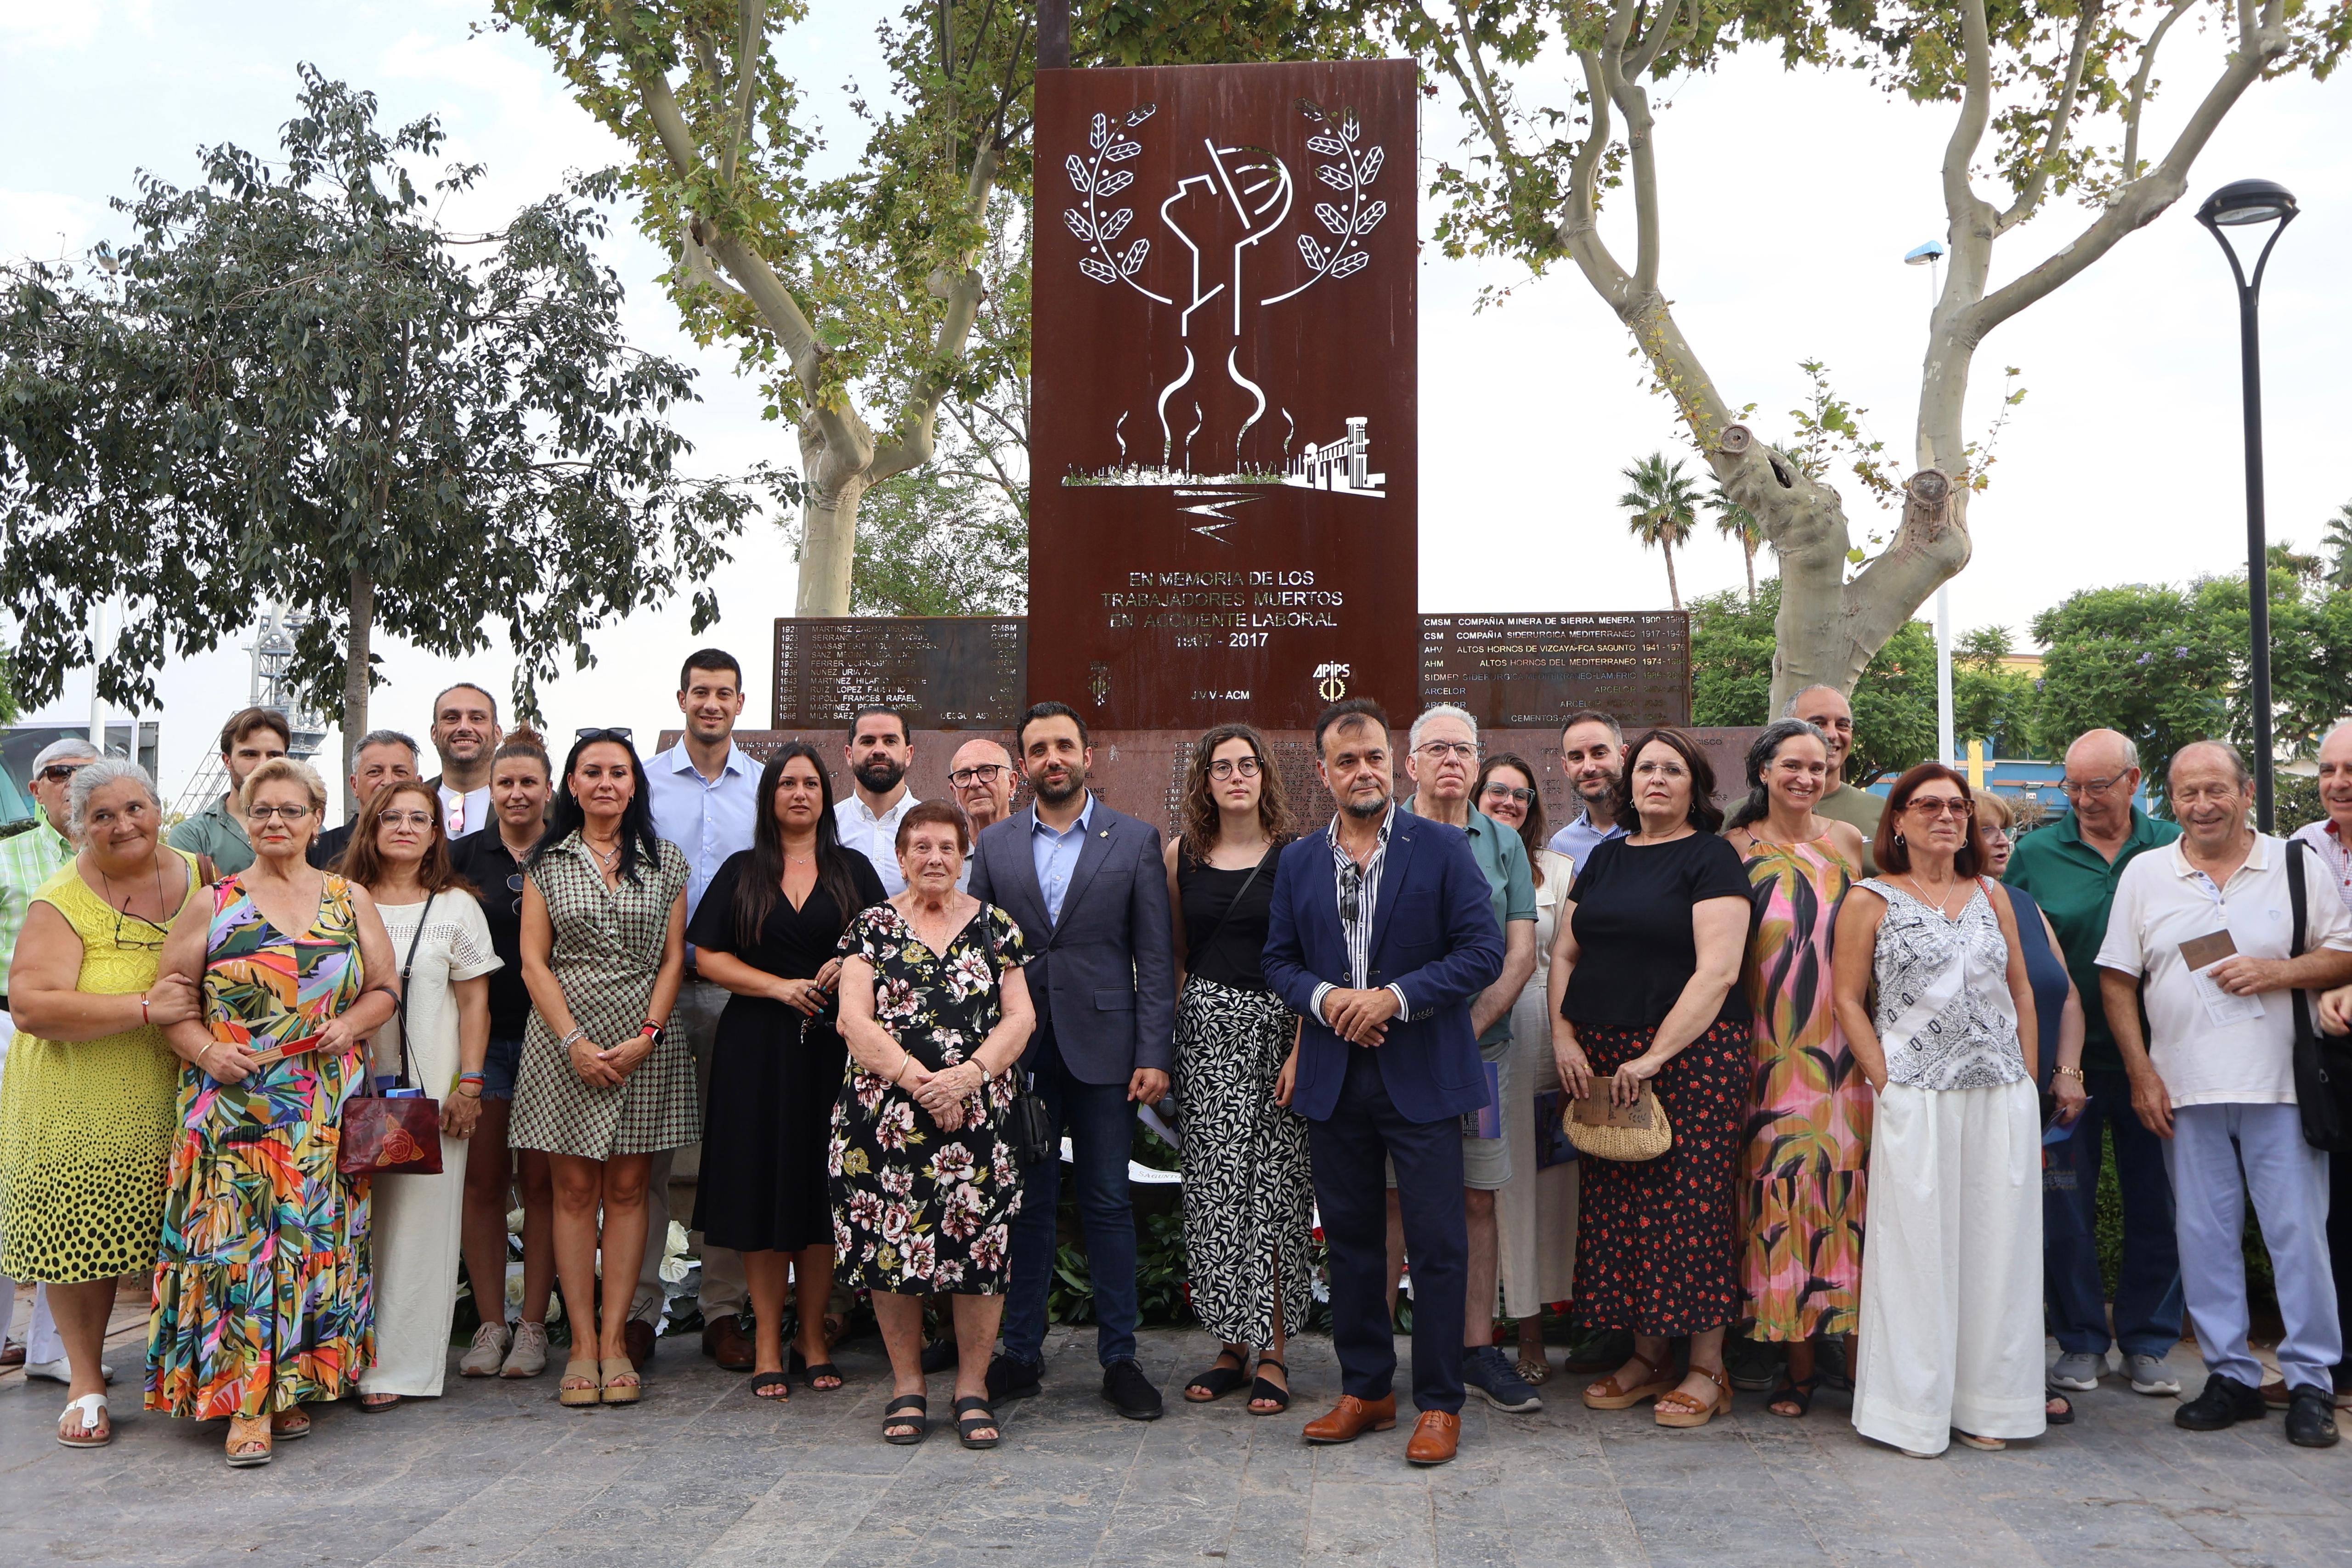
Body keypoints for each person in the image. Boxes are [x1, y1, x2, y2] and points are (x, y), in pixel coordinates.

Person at [1263, 698, 1504, 1466]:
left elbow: (1482, 951)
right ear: (1323, 772)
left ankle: (1438, 1402)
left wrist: (1392, 999)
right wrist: (1330, 1000)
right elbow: (1278, 961)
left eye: (1373, 757)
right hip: (1335, 1076)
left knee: (1436, 1244)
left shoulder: (1442, 848)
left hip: (1421, 1071)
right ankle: (1366, 1390)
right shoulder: (1300, 860)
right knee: (1353, 1243)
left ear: (1394, 763)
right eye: (1346, 761)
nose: (1362, 771)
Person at [149, 757, 400, 1467]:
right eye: (262, 810)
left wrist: (351, 1025)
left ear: (317, 820)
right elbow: (171, 998)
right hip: (234, 1105)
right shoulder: (213, 901)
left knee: (308, 1245)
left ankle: (288, 1383)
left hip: (323, 1107)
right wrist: (205, 1051)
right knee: (240, 1253)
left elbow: (385, 988)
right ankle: (245, 1404)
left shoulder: (350, 898)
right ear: (245, 818)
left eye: (292, 810)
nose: (276, 822)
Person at [2102, 742, 2352, 1449]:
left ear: (2246, 793)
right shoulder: (2147, 874)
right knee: (2203, 1238)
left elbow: (2344, 952)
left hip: (2283, 1087)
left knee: (2298, 1238)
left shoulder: (2295, 864)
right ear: (2170, 800)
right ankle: (2231, 1376)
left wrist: (2277, 973)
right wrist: (2142, 1073)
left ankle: (2310, 1381)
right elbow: (2118, 979)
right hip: (2185, 1088)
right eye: (2187, 793)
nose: (2202, 805)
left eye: (2216, 789)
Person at [968, 701, 1176, 1419]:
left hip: (1108, 1053)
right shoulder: (995, 845)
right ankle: (1021, 1353)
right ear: (1023, 765)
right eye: (1038, 749)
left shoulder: (1135, 840)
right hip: (1020, 1053)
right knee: (1027, 1205)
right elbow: (978, 955)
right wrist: (984, 1053)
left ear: (1088, 756)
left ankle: (1120, 1359)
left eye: (1064, 746)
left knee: (1108, 1202)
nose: (1051, 758)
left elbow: (1155, 956)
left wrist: (1153, 1052)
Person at [1834, 763, 2044, 1459]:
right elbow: (1846, 1000)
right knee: (1916, 1254)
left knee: (1998, 1252)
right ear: (1896, 820)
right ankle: (1912, 1412)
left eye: (1956, 806)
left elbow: (2021, 989)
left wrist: (2028, 1080)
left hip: (1999, 1093)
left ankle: (1992, 1404)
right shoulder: (1870, 898)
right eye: (1927, 805)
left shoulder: (1992, 894)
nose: (1946, 816)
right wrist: (1886, 1082)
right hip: (1915, 1095)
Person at [1550, 728, 1753, 1431]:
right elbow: (1566, 954)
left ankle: (1708, 1367)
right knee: (1622, 1211)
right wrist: (1563, 1035)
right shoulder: (1605, 859)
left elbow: (1718, 971)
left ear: (1695, 787)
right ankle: (1647, 1357)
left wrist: (1655, 1056)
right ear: (1628, 784)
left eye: (1672, 769)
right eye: (1645, 769)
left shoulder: (1711, 857)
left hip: (1691, 1057)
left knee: (1690, 1210)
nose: (1656, 779)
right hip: (1605, 1061)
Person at [1, 759, 202, 1449]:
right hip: (77, 1096)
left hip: (178, 1091)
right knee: (83, 1238)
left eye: (135, 808)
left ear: (159, 809)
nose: (122, 825)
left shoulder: (202, 874)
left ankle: (194, 1372)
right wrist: (145, 1006)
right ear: (78, 828)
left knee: (182, 1232)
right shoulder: (61, 897)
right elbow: (31, 1005)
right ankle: (85, 1383)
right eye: (102, 816)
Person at [834, 801, 1037, 1447]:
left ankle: (972, 1387)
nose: (934, 858)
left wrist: (967, 1077)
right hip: (886, 1123)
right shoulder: (870, 927)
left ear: (963, 857)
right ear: (900, 857)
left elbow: (1021, 1018)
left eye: (947, 847)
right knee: (891, 1248)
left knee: (981, 1251)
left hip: (978, 1122)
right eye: (920, 846)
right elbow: (852, 1019)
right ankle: (907, 1384)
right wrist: (924, 1083)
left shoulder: (996, 927)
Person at [690, 743, 885, 1401]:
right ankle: (769, 1342)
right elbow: (706, 955)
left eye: (810, 783)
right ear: (769, 795)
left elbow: (886, 943)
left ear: (825, 798)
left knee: (819, 1192)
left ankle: (813, 1336)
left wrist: (849, 963)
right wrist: (775, 986)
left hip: (834, 1049)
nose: (799, 793)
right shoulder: (743, 870)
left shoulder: (852, 869)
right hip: (755, 1048)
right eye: (786, 783)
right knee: (761, 1189)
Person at [508, 730, 692, 1409]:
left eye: (618, 771)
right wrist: (574, 1042)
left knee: (629, 1188)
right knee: (573, 1190)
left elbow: (673, 958)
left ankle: (617, 1339)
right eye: (593, 771)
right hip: (565, 1040)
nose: (606, 782)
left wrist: (648, 1034)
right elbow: (533, 961)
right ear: (573, 785)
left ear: (635, 784)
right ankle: (581, 1344)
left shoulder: (665, 860)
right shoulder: (547, 860)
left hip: (645, 1037)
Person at [2003, 728, 2185, 1398]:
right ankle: (2079, 1339)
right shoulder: (2035, 853)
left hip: (2160, 1061)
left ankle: (2149, 1340)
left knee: (2158, 1205)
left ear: (2133, 781)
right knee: (2064, 1206)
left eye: (2097, 786)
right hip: (2065, 1064)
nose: (2081, 799)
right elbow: (2015, 952)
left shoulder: (2172, 845)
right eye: (2072, 786)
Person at [1721, 719, 1869, 1418]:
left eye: (1818, 764)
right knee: (1779, 1194)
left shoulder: (1848, 842)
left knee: (1847, 1198)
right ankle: (1797, 1364)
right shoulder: (1733, 849)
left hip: (1842, 1050)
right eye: (1792, 765)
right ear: (1763, 770)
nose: (1807, 777)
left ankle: (1863, 1366)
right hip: (1767, 1046)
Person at [1397, 705, 1540, 1414]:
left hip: (1478, 1055)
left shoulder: (1504, 842)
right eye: (1438, 748)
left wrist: (1467, 1030)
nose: (1452, 759)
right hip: (1394, 1055)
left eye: (1464, 749)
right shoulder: (1381, 831)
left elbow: (1520, 953)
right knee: (1392, 1199)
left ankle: (1477, 1347)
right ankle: (1384, 1357)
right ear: (1411, 763)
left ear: (1478, 763)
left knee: (1477, 1196)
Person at [339, 780, 499, 1411]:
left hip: (429, 1091)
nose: (405, 827)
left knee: (419, 1226)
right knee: (349, 1223)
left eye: (419, 818)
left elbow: (475, 1001)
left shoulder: (457, 907)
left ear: (436, 833)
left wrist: (469, 1084)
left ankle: (399, 1367)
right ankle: (335, 1359)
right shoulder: (338, 899)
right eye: (392, 817)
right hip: (343, 1085)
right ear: (371, 827)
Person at [1164, 724, 1307, 1416]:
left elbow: (1314, 957)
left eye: (1247, 765)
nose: (1236, 776)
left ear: (1264, 775)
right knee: (1215, 1194)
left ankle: (1273, 1349)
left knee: (1274, 1193)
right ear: (1205, 781)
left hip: (1278, 1036)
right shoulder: (1181, 855)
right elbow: (1175, 951)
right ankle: (1231, 1345)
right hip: (1206, 1041)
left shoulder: (1297, 856)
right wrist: (1184, 1024)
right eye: (1221, 767)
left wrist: (1302, 1048)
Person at [640, 651, 759, 1373]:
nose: (711, 704)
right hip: (649, 981)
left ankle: (722, 1310)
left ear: (740, 703)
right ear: (681, 698)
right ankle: (637, 1312)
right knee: (643, 1153)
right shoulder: (645, 783)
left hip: (731, 984)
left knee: (729, 1149)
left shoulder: (764, 787)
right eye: (700, 692)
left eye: (724, 694)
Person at [1978, 789, 2092, 1426]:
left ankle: (2025, 1363)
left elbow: (2066, 994)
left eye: (2005, 830)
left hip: (2041, 1102)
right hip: (1978, 1102)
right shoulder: (1936, 909)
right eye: (1986, 830)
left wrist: (2066, 1072)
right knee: (1990, 1237)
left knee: (2041, 1234)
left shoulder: (2023, 903)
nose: (2002, 842)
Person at [449, 732, 559, 1379]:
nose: (517, 794)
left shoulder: (570, 852)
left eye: (528, 782)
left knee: (543, 1186)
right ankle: (491, 1324)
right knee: (485, 1183)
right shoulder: (461, 858)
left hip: (553, 1039)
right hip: (482, 1041)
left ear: (548, 789)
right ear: (490, 791)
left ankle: (535, 1327)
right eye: (505, 783)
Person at [1475, 752, 1579, 1388]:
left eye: (1521, 794)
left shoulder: (1558, 871)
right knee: (1482, 1184)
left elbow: (1567, 959)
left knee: (1538, 1188)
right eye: (1497, 791)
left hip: (1539, 1034)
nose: (1509, 802)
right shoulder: (1453, 858)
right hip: (1474, 1037)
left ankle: (1533, 1330)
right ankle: (1474, 1332)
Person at [0, 738, 98, 1382]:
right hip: (9, 1024)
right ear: (36, 789)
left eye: (89, 772)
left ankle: (53, 1349)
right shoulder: (7, 858)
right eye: (61, 773)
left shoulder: (120, 859)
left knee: (69, 1184)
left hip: (98, 1030)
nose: (75, 783)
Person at [2296, 719, 2352, 1404]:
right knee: (2331, 1212)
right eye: (2328, 770)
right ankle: (2333, 1365)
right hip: (2326, 1054)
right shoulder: (2301, 847)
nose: (2338, 784)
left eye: (2351, 770)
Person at [167, 708, 290, 876]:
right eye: (250, 755)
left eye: (274, 755)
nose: (263, 765)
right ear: (228, 761)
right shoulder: (193, 836)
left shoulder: (308, 829)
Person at [1787, 685, 1885, 875]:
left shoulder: (1883, 812)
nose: (1832, 735)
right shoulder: (1744, 817)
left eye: (1842, 725)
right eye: (1818, 724)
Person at [836, 705, 920, 895]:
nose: (879, 750)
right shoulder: (827, 827)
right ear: (849, 755)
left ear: (908, 755)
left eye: (890, 741)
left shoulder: (935, 826)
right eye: (868, 742)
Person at [310, 729, 422, 869]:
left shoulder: (440, 853)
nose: (388, 782)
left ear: (419, 785)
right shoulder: (316, 853)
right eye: (375, 772)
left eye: (400, 772)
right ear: (354, 785)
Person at [1544, 711, 1628, 866]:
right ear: (1566, 767)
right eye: (1577, 758)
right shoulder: (1560, 848)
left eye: (1599, 754)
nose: (1588, 768)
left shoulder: (1656, 828)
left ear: (1623, 756)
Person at [424, 683, 503, 841]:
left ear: (497, 734)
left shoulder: (540, 805)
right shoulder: (408, 801)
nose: (464, 728)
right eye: (452, 718)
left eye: (477, 719)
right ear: (434, 733)